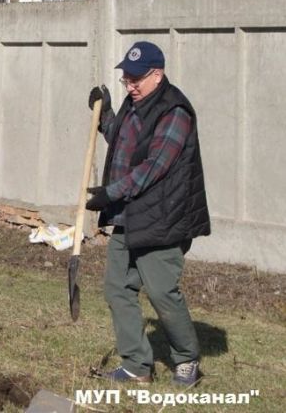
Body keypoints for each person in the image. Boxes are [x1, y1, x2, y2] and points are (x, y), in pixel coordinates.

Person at [86, 41, 210, 386]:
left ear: (158, 74)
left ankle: (187, 360)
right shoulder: (134, 103)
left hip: (162, 218)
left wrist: (111, 192)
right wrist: (106, 116)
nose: (130, 85)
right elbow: (125, 142)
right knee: (117, 288)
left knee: (160, 292)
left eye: (136, 79)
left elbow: (154, 166)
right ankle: (137, 365)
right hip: (129, 214)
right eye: (126, 79)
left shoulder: (175, 111)